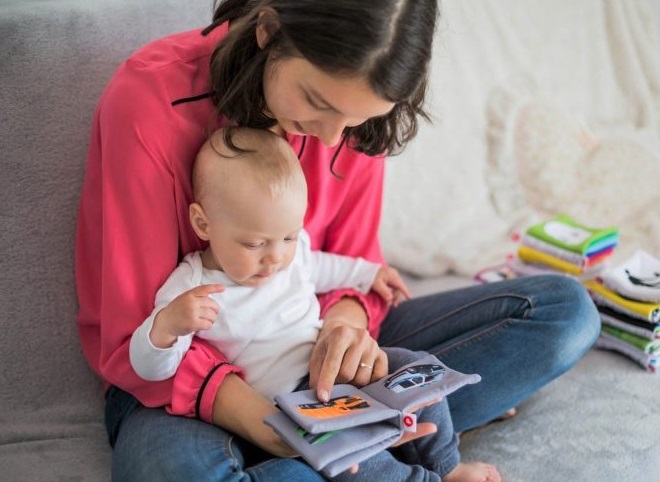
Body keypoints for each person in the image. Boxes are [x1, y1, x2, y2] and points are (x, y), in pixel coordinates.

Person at [75, 0, 600, 480]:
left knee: (565, 313)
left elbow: (351, 265)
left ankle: (351, 442)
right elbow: (134, 333)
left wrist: (344, 337)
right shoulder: (147, 102)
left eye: (360, 118)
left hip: (310, 346)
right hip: (180, 382)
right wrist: (268, 423)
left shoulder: (351, 120)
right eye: (315, 101)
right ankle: (354, 448)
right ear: (268, 28)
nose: (330, 138)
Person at [127, 126, 499, 481]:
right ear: (203, 223)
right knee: (354, 457)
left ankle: (447, 464)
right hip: (293, 403)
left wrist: (368, 274)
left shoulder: (290, 251)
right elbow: (150, 368)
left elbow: (322, 266)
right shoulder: (192, 286)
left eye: (288, 237)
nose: (275, 258)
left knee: (419, 368)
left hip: (336, 365)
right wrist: (167, 327)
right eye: (254, 244)